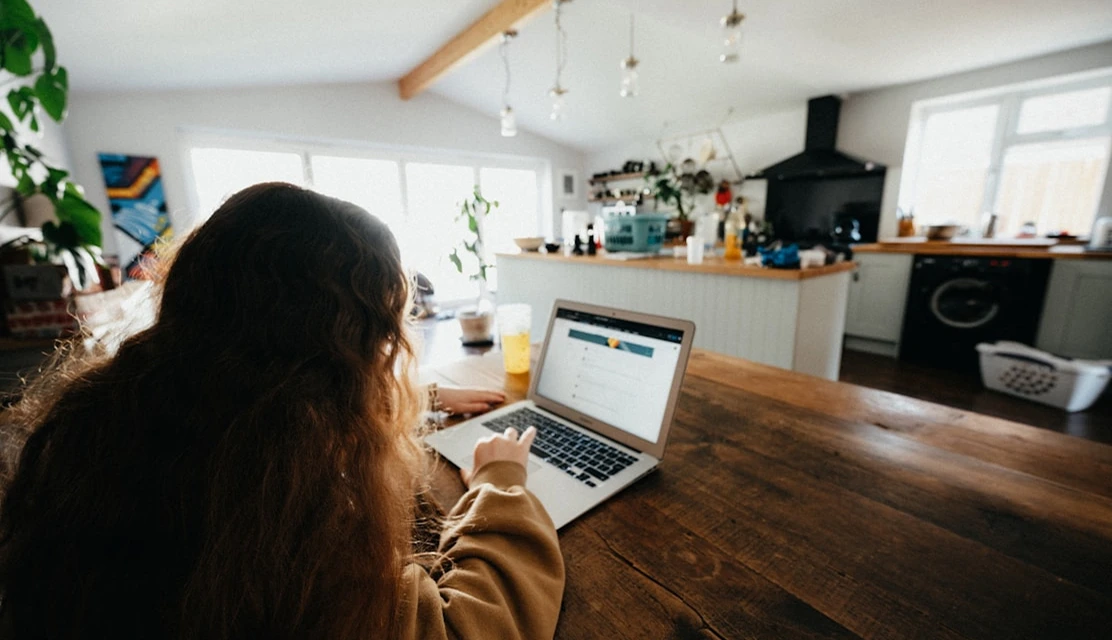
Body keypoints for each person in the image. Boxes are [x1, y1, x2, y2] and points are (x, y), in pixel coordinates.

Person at [0, 183, 564, 639]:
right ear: (339, 358)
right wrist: (499, 482)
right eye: (379, 337)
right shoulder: (277, 518)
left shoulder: (113, 423)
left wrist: (423, 399)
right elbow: (464, 628)